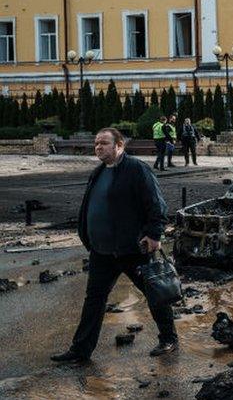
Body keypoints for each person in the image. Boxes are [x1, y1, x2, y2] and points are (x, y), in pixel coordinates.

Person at [50, 128, 177, 364]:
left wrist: (153, 233)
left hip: (132, 248)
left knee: (155, 293)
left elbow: (156, 204)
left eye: (104, 143)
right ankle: (80, 350)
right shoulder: (98, 173)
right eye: (96, 143)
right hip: (102, 251)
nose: (98, 147)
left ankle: (169, 338)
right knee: (94, 300)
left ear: (119, 145)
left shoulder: (136, 169)